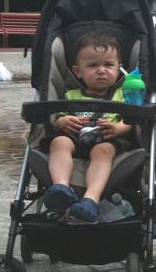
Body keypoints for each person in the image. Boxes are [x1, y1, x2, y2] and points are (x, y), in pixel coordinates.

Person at [42, 30, 132, 223]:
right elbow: (58, 119)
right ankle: (61, 188)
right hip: (75, 139)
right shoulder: (72, 95)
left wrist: (118, 129)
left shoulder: (122, 95)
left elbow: (130, 122)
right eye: (93, 65)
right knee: (58, 142)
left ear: (119, 69)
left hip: (107, 138)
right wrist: (62, 122)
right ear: (78, 71)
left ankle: (90, 199)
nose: (101, 70)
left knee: (103, 150)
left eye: (109, 65)